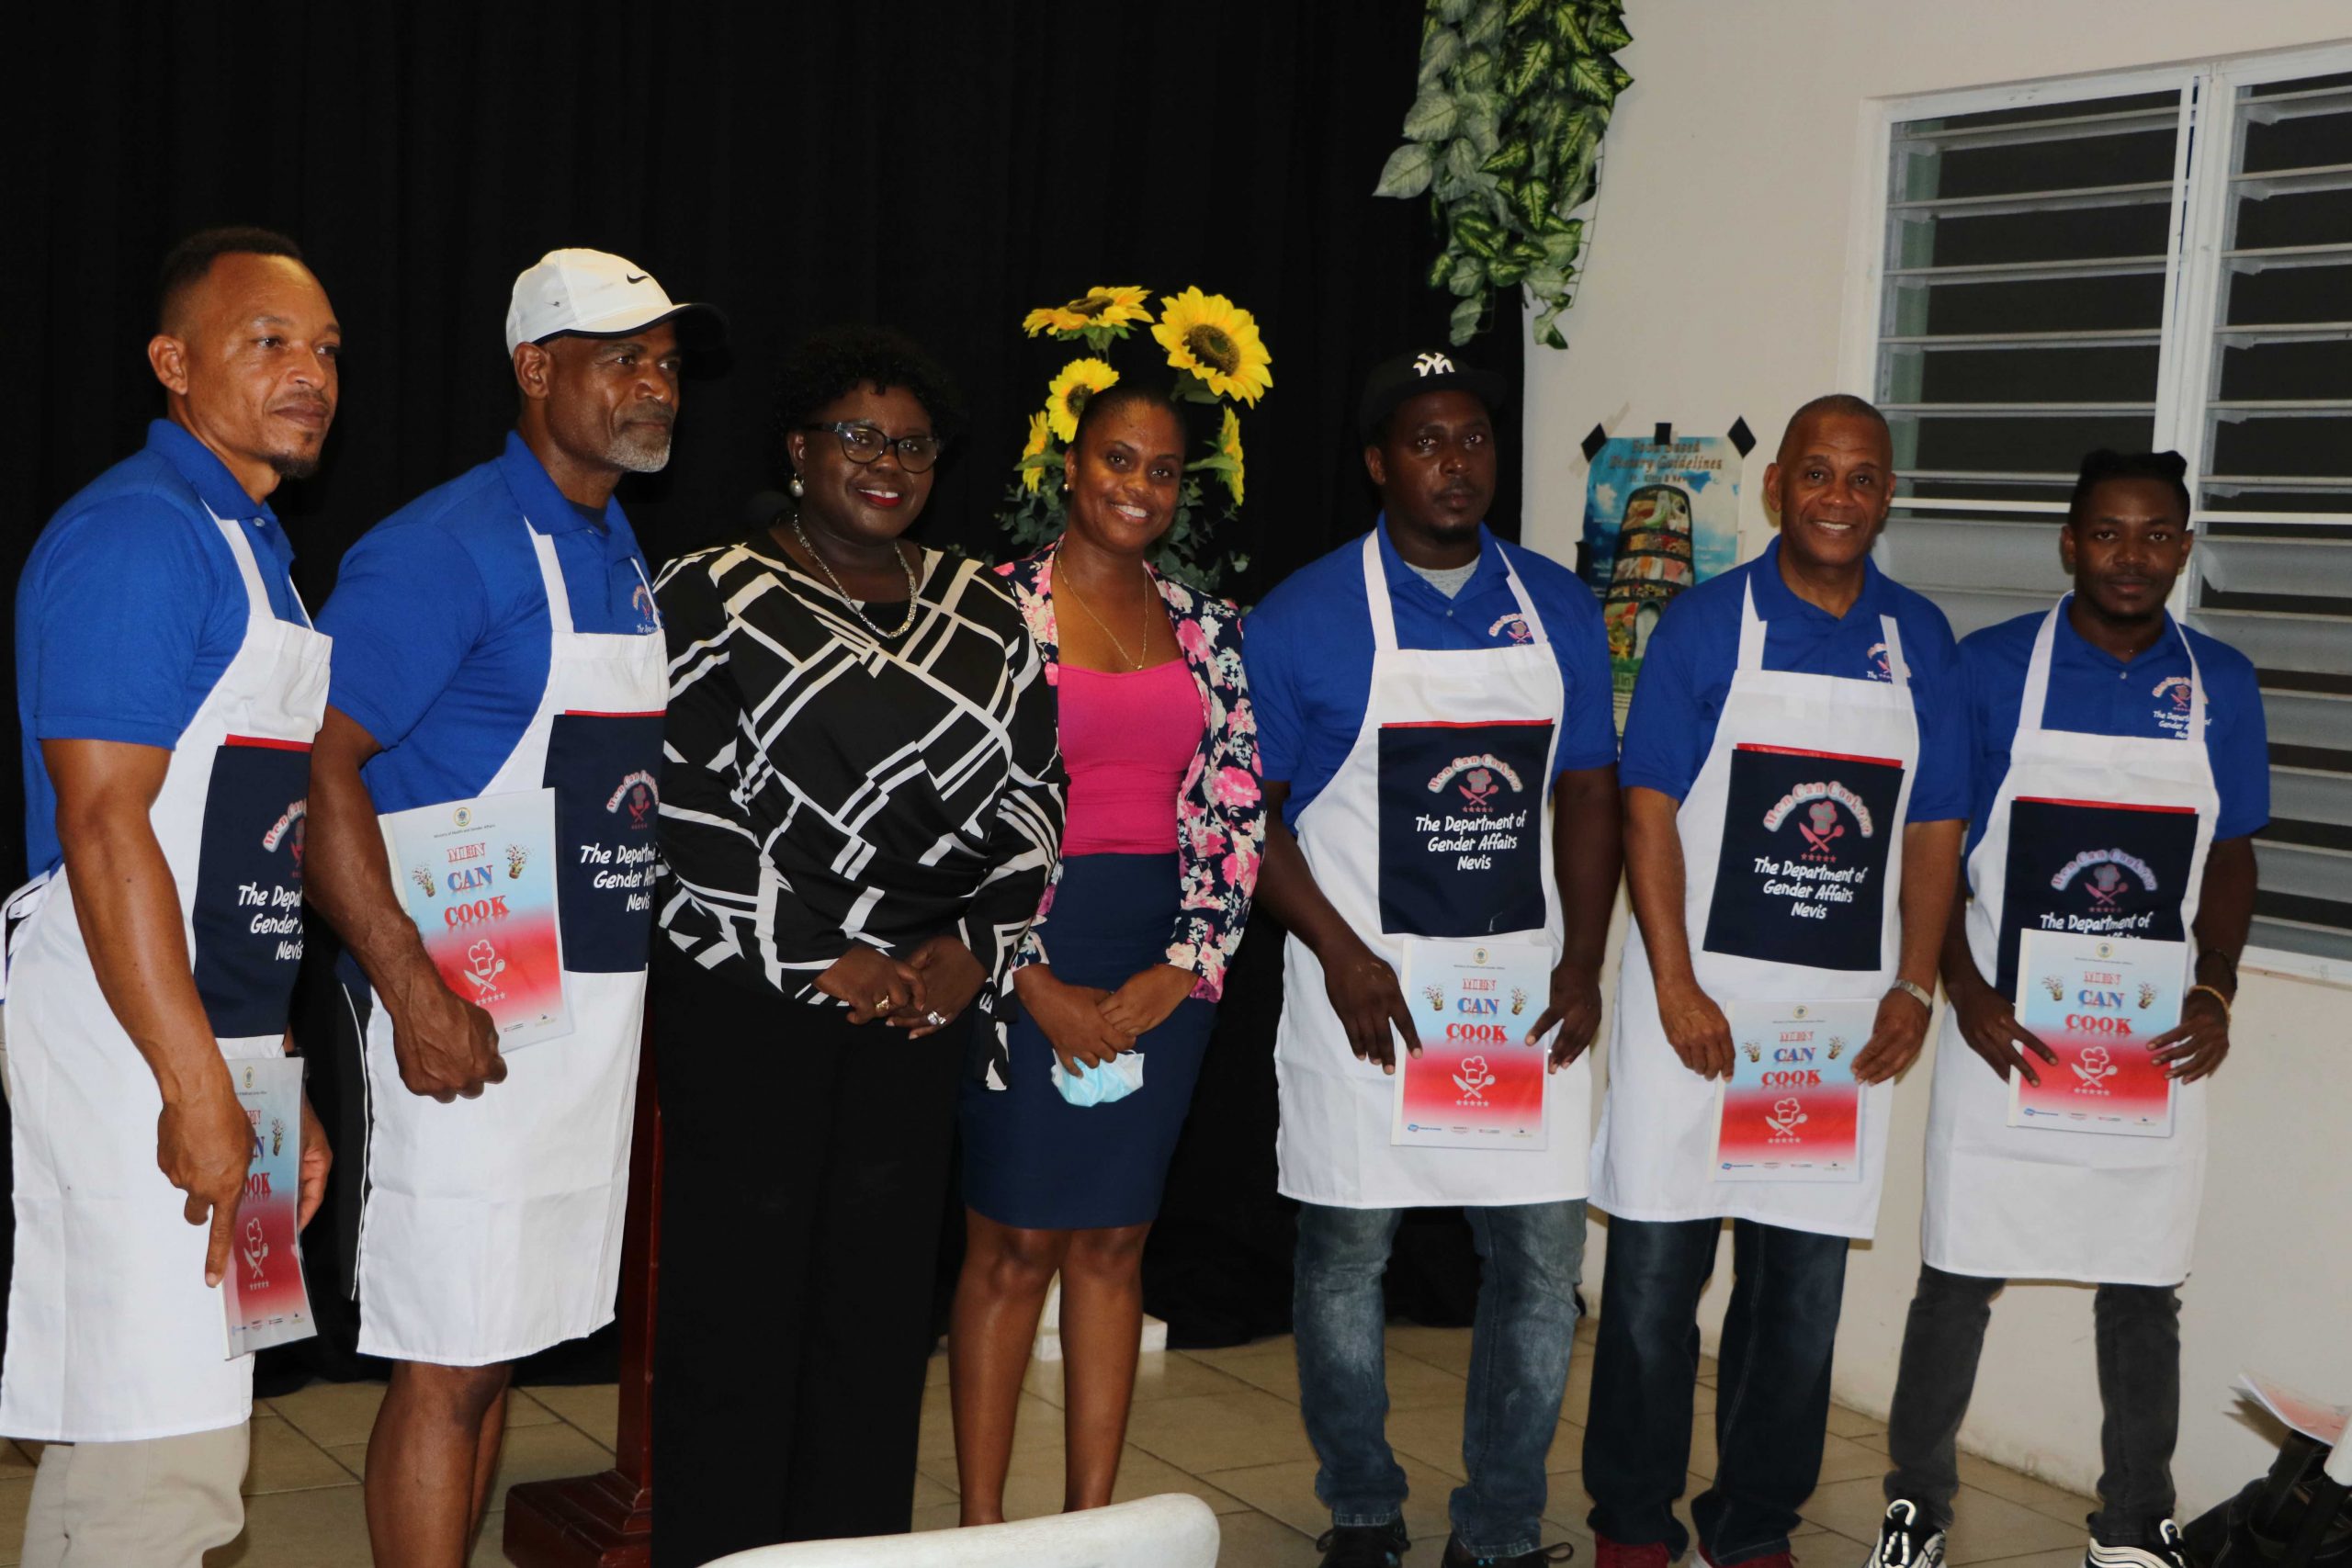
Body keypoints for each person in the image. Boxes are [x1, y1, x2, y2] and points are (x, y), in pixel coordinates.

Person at [303, 248, 715, 1567]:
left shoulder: (615, 543)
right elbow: (316, 762)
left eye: (665, 362)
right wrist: (414, 989)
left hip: (575, 1022)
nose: (655, 386)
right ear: (536, 369)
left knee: (497, 1357)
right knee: (447, 1356)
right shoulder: (444, 546)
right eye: (621, 359)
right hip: (457, 1016)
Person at [648, 326, 1064, 1564]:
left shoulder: (985, 611)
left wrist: (974, 947)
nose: (887, 460)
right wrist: (816, 949)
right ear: (797, 445)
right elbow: (674, 789)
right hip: (753, 996)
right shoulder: (708, 588)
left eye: (914, 442)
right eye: (859, 435)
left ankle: (850, 1548)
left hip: (920, 1006)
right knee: (741, 1301)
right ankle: (722, 1549)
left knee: (878, 1310)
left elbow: (1039, 791)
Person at [1245, 349, 1623, 1568]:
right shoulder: (1304, 615)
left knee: (1541, 1253)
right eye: (1425, 442)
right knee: (1348, 1251)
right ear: (1376, 463)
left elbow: (1587, 792)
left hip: (1518, 995)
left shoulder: (1560, 606)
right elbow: (1248, 812)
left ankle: (1502, 1523)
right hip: (1369, 993)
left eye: (1473, 439)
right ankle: (1362, 1506)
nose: (1455, 463)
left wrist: (1583, 961)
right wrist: (1344, 954)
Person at [1583, 394, 1970, 1568]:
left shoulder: (1921, 640)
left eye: (1862, 477)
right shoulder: (1706, 625)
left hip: (1834, 1022)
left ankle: (1752, 1525)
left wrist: (1913, 986)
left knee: (1796, 1292)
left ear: (1886, 493)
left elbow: (1935, 824)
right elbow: (1646, 806)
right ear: (1776, 489)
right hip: (1690, 1007)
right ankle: (1633, 1526)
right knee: (1654, 1281)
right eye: (1817, 473)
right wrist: (1675, 982)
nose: (1838, 497)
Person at [1866, 451, 2265, 1568]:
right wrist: (1962, 987)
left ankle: (2135, 1521)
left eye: (2153, 536)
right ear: (2068, 542)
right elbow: (1933, 841)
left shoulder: (2221, 683)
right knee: (1956, 1275)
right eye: (2106, 533)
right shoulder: (1990, 670)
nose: (2129, 557)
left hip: (2145, 1036)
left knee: (2143, 1283)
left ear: (2182, 548)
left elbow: (2230, 852)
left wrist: (2214, 982)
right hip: (2007, 1031)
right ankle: (1916, 1507)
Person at [4, 226, 336, 1567]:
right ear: (172, 360)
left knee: (149, 1423)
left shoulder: (248, 540)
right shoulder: (138, 537)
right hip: (129, 1025)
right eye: (268, 341)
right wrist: (197, 1084)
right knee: (166, 1433)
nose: (309, 372)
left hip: (217, 1029)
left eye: (324, 350)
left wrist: (275, 1081)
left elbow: (253, 847)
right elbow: (103, 825)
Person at [950, 384, 1265, 1523]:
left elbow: (1235, 811)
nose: (1137, 485)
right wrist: (1029, 976)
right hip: (1024, 943)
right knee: (1016, 1239)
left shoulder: (1208, 622)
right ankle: (983, 1529)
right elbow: (958, 811)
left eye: (1163, 469)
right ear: (1069, 468)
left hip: (1165, 951)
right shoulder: (987, 612)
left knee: (1117, 1238)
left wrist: (1184, 964)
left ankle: (1092, 1522)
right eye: (1117, 460)